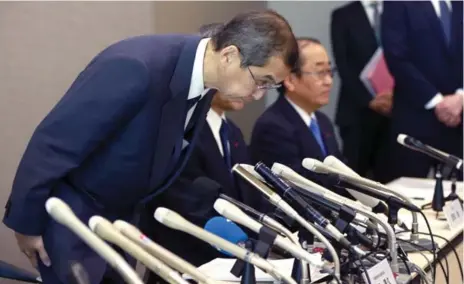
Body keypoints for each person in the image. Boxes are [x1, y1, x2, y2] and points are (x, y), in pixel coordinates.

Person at [2, 10, 298, 284]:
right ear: (230, 55)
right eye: (262, 81)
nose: (259, 95)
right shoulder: (136, 67)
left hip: (124, 227)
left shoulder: (204, 81)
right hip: (74, 222)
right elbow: (55, 143)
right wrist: (26, 223)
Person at [142, 23, 267, 283]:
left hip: (233, 266)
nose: (253, 88)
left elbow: (246, 195)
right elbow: (181, 197)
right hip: (185, 266)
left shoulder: (231, 130)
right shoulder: (178, 126)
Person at [250, 38, 351, 199]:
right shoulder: (273, 126)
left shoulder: (322, 121)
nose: (329, 81)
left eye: (329, 71)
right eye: (320, 72)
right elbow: (297, 189)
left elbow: (343, 174)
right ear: (290, 80)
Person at [381, 1, 463, 181]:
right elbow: (396, 57)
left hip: (460, 119)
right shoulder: (398, 3)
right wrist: (436, 101)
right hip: (415, 118)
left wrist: (460, 96)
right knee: (409, 195)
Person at [330, 0, 392, 182]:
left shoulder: (397, 9)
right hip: (356, 111)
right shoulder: (343, 15)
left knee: (390, 179)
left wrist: (394, 96)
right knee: (355, 179)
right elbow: (343, 64)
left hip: (393, 111)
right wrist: (369, 100)